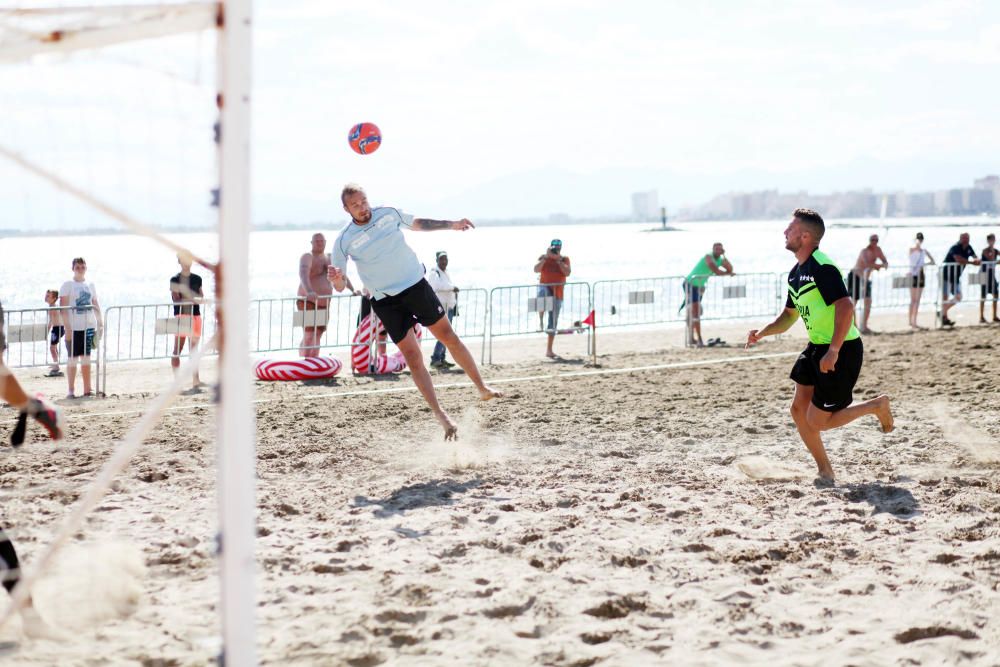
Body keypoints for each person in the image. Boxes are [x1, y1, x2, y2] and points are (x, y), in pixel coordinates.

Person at [328, 183, 501, 439]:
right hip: (386, 300)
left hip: (415, 286)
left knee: (448, 336)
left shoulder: (388, 214)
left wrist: (451, 224)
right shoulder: (343, 241)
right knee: (412, 355)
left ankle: (482, 387)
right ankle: (442, 417)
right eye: (355, 205)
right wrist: (336, 278)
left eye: (364, 201)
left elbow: (419, 223)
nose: (362, 207)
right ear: (346, 209)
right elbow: (340, 286)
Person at [746, 209, 893, 483]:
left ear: (805, 236)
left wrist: (834, 350)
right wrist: (762, 333)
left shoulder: (821, 267)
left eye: (789, 229)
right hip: (816, 347)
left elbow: (846, 306)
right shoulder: (795, 274)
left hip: (842, 348)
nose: (784, 233)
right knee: (798, 410)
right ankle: (825, 469)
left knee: (817, 421)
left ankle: (876, 405)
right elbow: (789, 316)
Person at [297, 233, 358, 357]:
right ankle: (304, 361)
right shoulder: (307, 256)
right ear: (311, 243)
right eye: (316, 241)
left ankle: (314, 361)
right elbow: (303, 274)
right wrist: (309, 291)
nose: (319, 243)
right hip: (307, 301)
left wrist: (352, 290)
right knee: (308, 334)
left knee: (318, 334)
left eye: (321, 240)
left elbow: (341, 276)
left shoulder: (329, 257)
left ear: (325, 242)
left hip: (324, 303)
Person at [59, 257, 102, 399]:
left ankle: (87, 389)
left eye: (82, 267)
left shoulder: (90, 284)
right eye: (77, 267)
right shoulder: (68, 284)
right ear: (73, 268)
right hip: (74, 328)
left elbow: (95, 303)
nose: (80, 269)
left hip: (88, 327)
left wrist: (100, 322)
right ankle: (71, 390)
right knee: (72, 359)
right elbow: (63, 308)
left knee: (86, 359)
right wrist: (68, 328)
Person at [682, 242, 734, 347]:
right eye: (716, 249)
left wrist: (724, 257)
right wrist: (727, 274)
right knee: (695, 313)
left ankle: (692, 338)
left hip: (699, 285)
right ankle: (699, 339)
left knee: (694, 313)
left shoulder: (720, 259)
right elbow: (716, 271)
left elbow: (730, 269)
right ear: (713, 249)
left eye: (720, 249)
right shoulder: (708, 257)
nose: (718, 251)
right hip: (691, 284)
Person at [170, 252, 205, 389]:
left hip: (195, 315)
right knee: (177, 350)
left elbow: (201, 297)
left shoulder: (197, 278)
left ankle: (196, 380)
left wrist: (194, 299)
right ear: (179, 261)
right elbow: (176, 299)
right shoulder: (175, 279)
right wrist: (192, 299)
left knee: (194, 351)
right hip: (181, 316)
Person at [533, 239, 571, 358]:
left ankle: (549, 350)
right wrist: (545, 258)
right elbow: (536, 269)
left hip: (557, 293)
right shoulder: (544, 257)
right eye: (554, 248)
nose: (555, 250)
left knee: (552, 323)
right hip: (545, 289)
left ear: (561, 249)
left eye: (558, 248)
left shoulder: (564, 259)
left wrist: (559, 260)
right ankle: (540, 320)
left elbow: (567, 273)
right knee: (542, 293)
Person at [846, 234, 888, 334]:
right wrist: (879, 266)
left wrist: (881, 265)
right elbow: (867, 263)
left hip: (865, 279)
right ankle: (853, 326)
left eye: (876, 240)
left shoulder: (878, 250)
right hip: (855, 277)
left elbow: (885, 262)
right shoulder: (864, 251)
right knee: (853, 303)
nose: (874, 242)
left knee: (868, 302)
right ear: (869, 241)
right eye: (872, 240)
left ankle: (864, 326)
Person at [426, 251, 459, 368]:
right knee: (445, 334)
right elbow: (436, 286)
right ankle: (435, 358)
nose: (444, 261)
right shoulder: (434, 273)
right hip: (441, 307)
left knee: (447, 334)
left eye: (446, 259)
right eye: (442, 259)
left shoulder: (445, 272)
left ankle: (441, 358)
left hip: (448, 306)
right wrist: (452, 288)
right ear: (437, 260)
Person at [940, 232, 981, 327]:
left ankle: (942, 311)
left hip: (956, 277)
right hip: (946, 275)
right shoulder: (955, 247)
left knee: (958, 296)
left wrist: (977, 260)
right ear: (960, 238)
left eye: (967, 238)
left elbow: (975, 256)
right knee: (945, 297)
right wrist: (972, 263)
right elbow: (958, 259)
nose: (966, 240)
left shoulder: (969, 247)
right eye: (964, 238)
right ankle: (944, 317)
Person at [907, 232, 935, 329]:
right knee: (913, 300)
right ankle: (911, 321)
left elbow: (932, 261)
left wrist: (923, 264)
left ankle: (914, 321)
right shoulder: (912, 249)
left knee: (917, 300)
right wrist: (917, 242)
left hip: (920, 275)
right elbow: (915, 247)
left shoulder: (923, 251)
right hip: (913, 275)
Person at [44, 290, 64, 376]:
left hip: (57, 329)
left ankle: (56, 366)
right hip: (58, 328)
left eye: (48, 296)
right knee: (54, 347)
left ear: (54, 298)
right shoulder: (52, 306)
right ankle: (56, 363)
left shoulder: (53, 307)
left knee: (52, 348)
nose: (46, 297)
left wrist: (47, 331)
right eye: (46, 295)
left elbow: (51, 321)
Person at [979, 233, 998, 324]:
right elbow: (989, 257)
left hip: (991, 274)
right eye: (991, 240)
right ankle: (981, 316)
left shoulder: (996, 250)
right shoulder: (985, 250)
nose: (992, 241)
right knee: (983, 296)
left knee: (996, 294)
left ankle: (994, 316)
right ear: (988, 241)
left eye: (993, 240)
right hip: (983, 274)